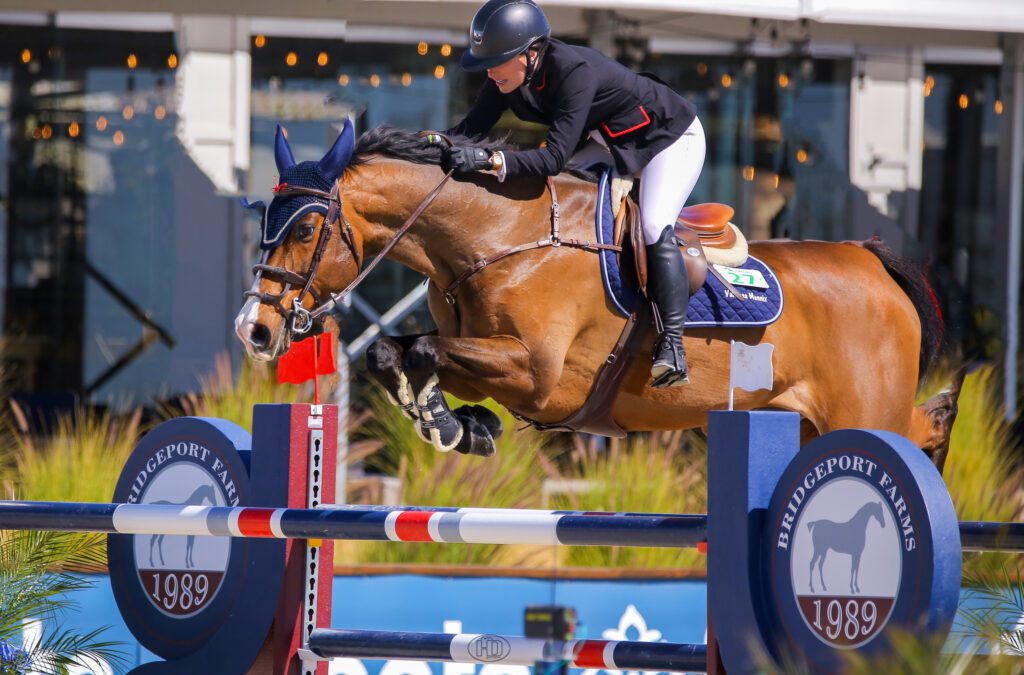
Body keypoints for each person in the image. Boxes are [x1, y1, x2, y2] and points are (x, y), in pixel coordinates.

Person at [443, 0, 706, 388]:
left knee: (653, 224)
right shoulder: (506, 78)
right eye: (487, 63)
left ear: (532, 53)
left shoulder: (573, 71)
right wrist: (428, 146)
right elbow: (470, 130)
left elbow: (552, 158)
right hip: (610, 143)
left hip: (669, 138)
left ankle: (672, 345)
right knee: (555, 193)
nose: (490, 71)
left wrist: (491, 159)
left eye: (498, 62)